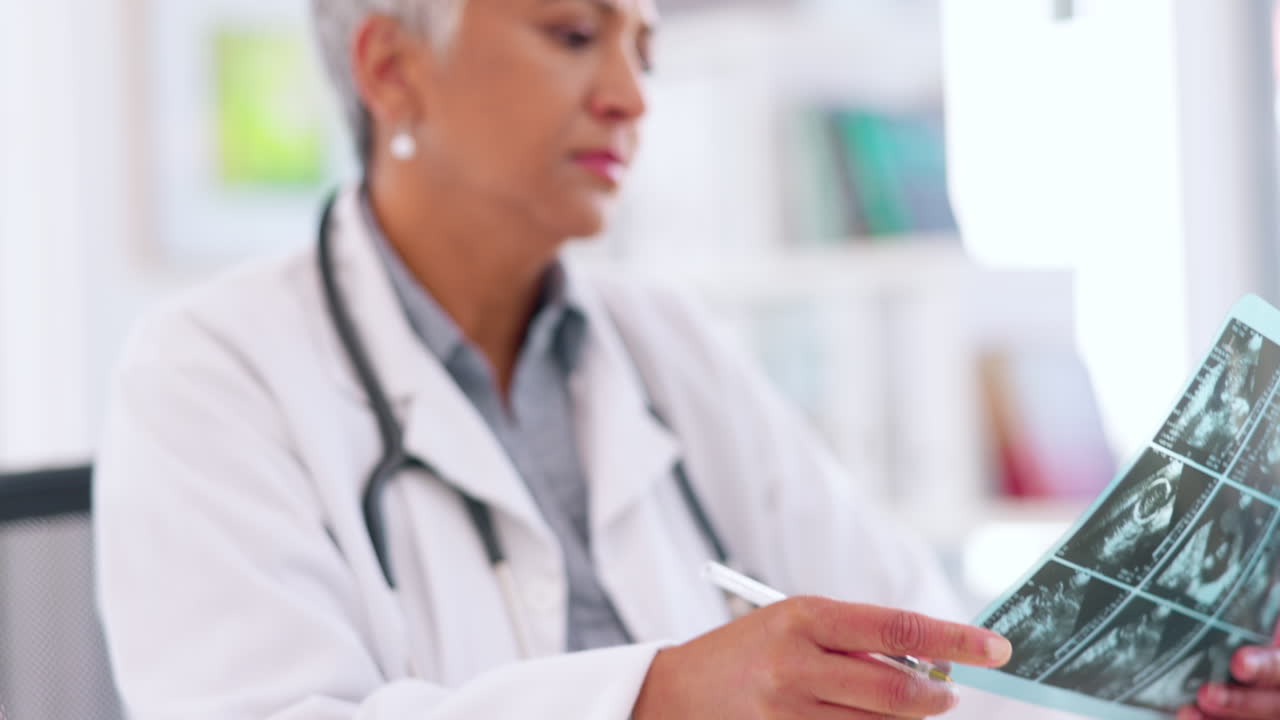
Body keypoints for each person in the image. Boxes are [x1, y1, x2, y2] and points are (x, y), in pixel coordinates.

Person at [92, 0, 1280, 718]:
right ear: (390, 66)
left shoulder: (665, 346)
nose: (626, 94)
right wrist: (651, 699)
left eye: (641, 44)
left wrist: (1151, 691)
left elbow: (925, 649)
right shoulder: (211, 374)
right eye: (571, 33)